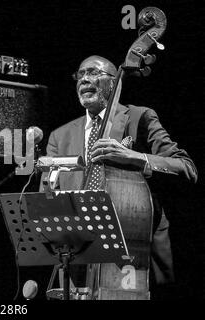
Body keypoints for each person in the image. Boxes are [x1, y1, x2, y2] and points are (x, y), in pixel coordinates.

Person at [40, 55, 198, 298]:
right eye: (80, 75)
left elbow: (186, 167)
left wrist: (135, 157)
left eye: (93, 73)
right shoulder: (59, 136)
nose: (84, 80)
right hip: (79, 253)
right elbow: (46, 198)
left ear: (113, 83)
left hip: (133, 247)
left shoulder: (139, 117)